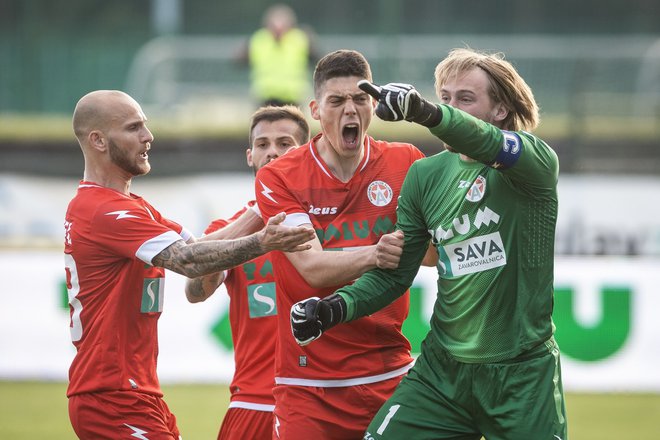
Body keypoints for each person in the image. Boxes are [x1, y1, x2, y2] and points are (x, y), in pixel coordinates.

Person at [290, 47, 568, 439]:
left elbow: (483, 140)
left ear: (501, 110)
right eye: (446, 99)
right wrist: (334, 308)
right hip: (442, 375)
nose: (452, 108)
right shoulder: (424, 175)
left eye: (466, 99)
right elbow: (394, 274)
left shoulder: (533, 164)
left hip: (520, 376)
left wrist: (428, 113)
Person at [63, 90, 316, 440]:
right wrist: (263, 240)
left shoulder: (135, 207)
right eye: (134, 128)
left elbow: (197, 246)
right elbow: (188, 261)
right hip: (111, 393)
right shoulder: (105, 211)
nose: (148, 137)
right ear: (98, 140)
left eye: (145, 127)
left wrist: (264, 207)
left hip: (138, 391)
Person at [254, 49, 435, 439]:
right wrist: (377, 253)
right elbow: (312, 268)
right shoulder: (280, 175)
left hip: (391, 375)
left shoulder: (407, 162)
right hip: (308, 385)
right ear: (316, 110)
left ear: (374, 105)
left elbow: (434, 255)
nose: (349, 111)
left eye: (359, 99)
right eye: (337, 101)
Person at [184, 105, 311, 440]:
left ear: (307, 153)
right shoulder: (226, 230)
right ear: (250, 156)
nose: (273, 152)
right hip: (254, 403)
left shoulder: (334, 225)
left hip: (318, 398)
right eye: (263, 144)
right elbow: (195, 291)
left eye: (285, 143)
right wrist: (258, 213)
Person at [236, 4, 318, 107]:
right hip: (265, 96)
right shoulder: (259, 39)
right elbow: (239, 60)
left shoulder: (300, 39)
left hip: (293, 96)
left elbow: (317, 59)